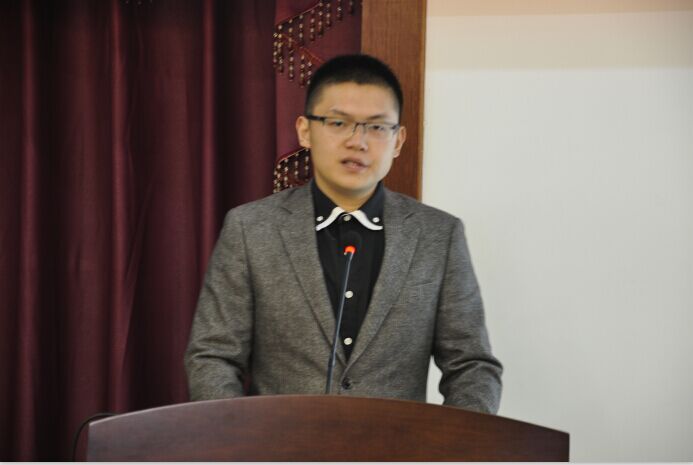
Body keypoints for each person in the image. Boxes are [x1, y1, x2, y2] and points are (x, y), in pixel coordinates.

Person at [184, 54, 502, 413]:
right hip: (280, 442)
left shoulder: (438, 236)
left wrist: (452, 442)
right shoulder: (250, 229)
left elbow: (472, 366)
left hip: (397, 443)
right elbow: (213, 355)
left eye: (377, 127)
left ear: (398, 141)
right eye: (338, 123)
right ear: (305, 130)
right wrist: (240, 438)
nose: (358, 141)